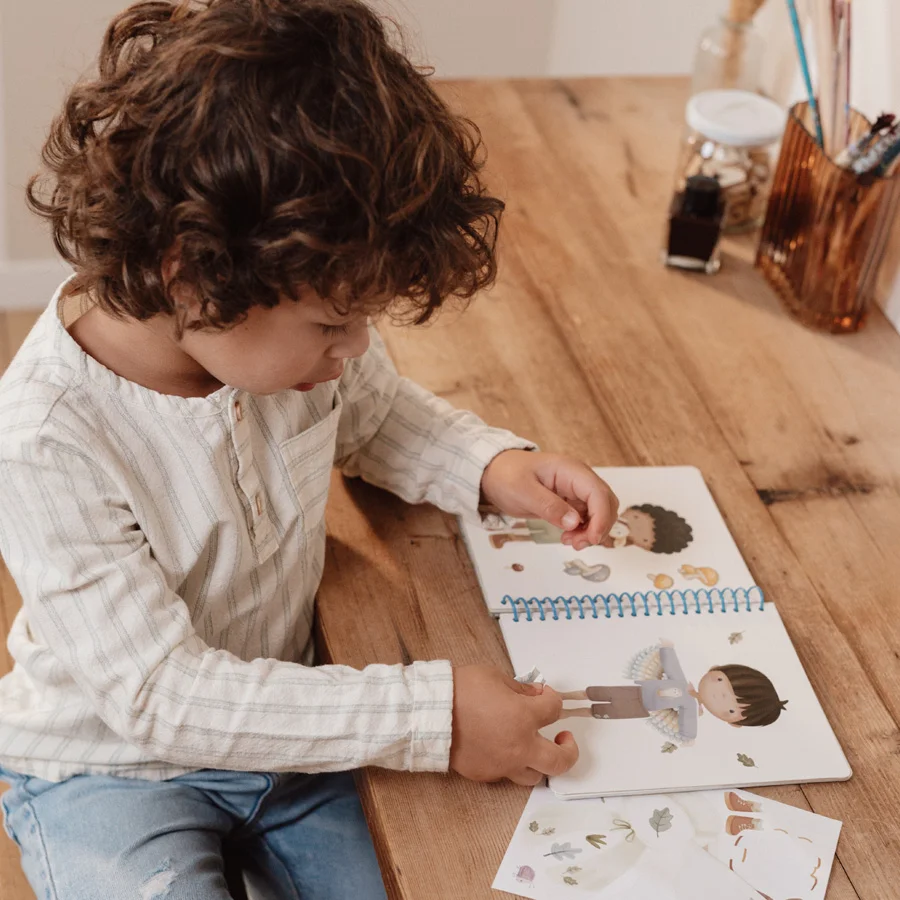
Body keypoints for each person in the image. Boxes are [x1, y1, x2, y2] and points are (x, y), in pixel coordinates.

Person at [0, 2, 621, 897]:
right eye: (334, 323)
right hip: (110, 768)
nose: (356, 348)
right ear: (190, 273)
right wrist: (433, 713)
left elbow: (375, 416)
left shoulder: (290, 357)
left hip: (296, 724)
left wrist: (490, 466)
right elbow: (161, 696)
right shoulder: (43, 439)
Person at [558, 640, 786, 744]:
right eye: (719, 681)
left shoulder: (689, 708)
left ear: (733, 723)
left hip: (638, 707)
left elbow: (687, 730)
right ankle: (564, 697)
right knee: (595, 692)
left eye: (730, 708)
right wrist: (667, 649)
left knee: (600, 711)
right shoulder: (681, 683)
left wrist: (689, 736)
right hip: (634, 690)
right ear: (714, 669)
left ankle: (567, 714)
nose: (719, 695)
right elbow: (671, 666)